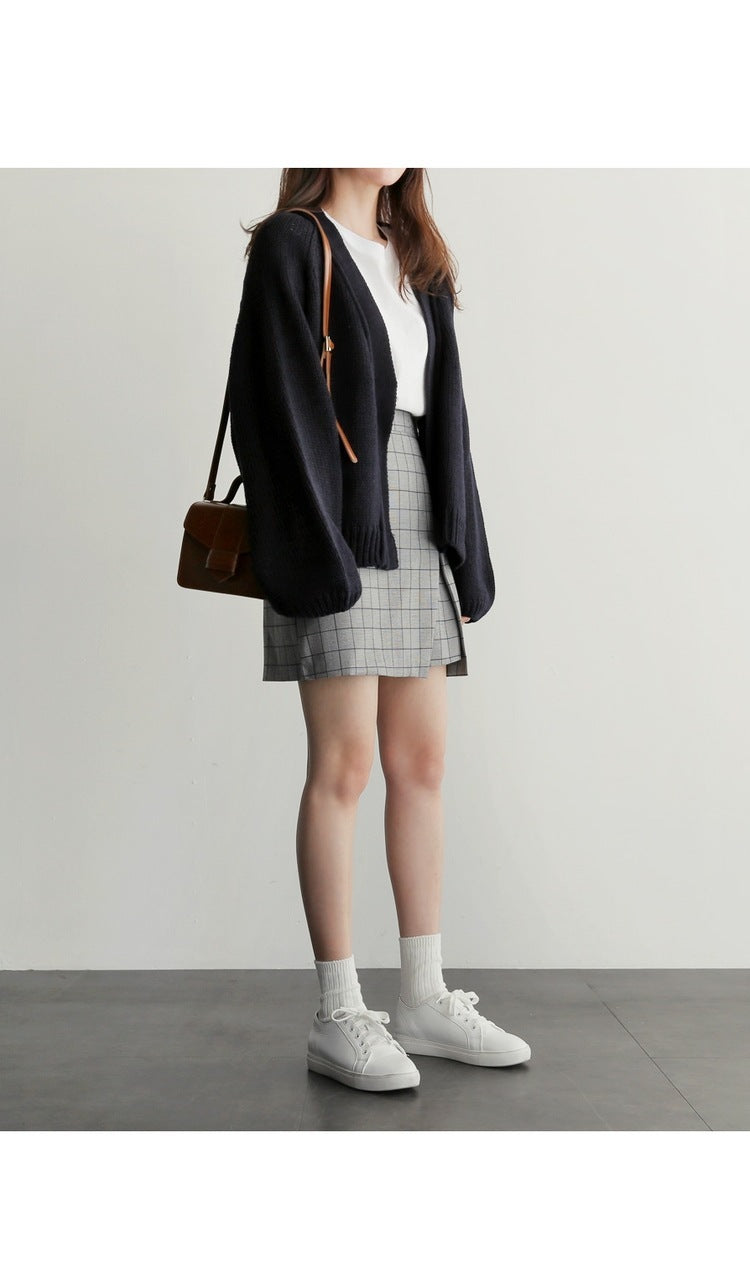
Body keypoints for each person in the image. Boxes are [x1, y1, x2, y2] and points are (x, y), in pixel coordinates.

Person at [228, 168, 531, 1092]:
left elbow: (449, 418)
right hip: (332, 525)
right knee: (345, 764)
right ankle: (339, 1011)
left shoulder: (417, 257)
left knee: (422, 762)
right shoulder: (294, 243)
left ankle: (426, 996)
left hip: (418, 515)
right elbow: (272, 406)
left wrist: (465, 547)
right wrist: (319, 550)